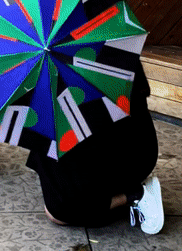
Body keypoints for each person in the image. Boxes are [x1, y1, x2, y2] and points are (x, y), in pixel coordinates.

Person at [26, 62, 164, 234]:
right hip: (131, 144)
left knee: (59, 212)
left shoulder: (82, 69)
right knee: (47, 149)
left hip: (129, 153)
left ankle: (136, 194)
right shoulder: (99, 52)